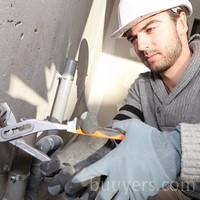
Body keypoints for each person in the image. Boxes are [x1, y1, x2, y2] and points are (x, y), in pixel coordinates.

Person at [40, 0, 200, 199]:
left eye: (150, 29)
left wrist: (177, 149)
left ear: (181, 22)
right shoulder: (142, 87)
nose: (141, 46)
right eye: (133, 37)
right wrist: (95, 149)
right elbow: (121, 130)